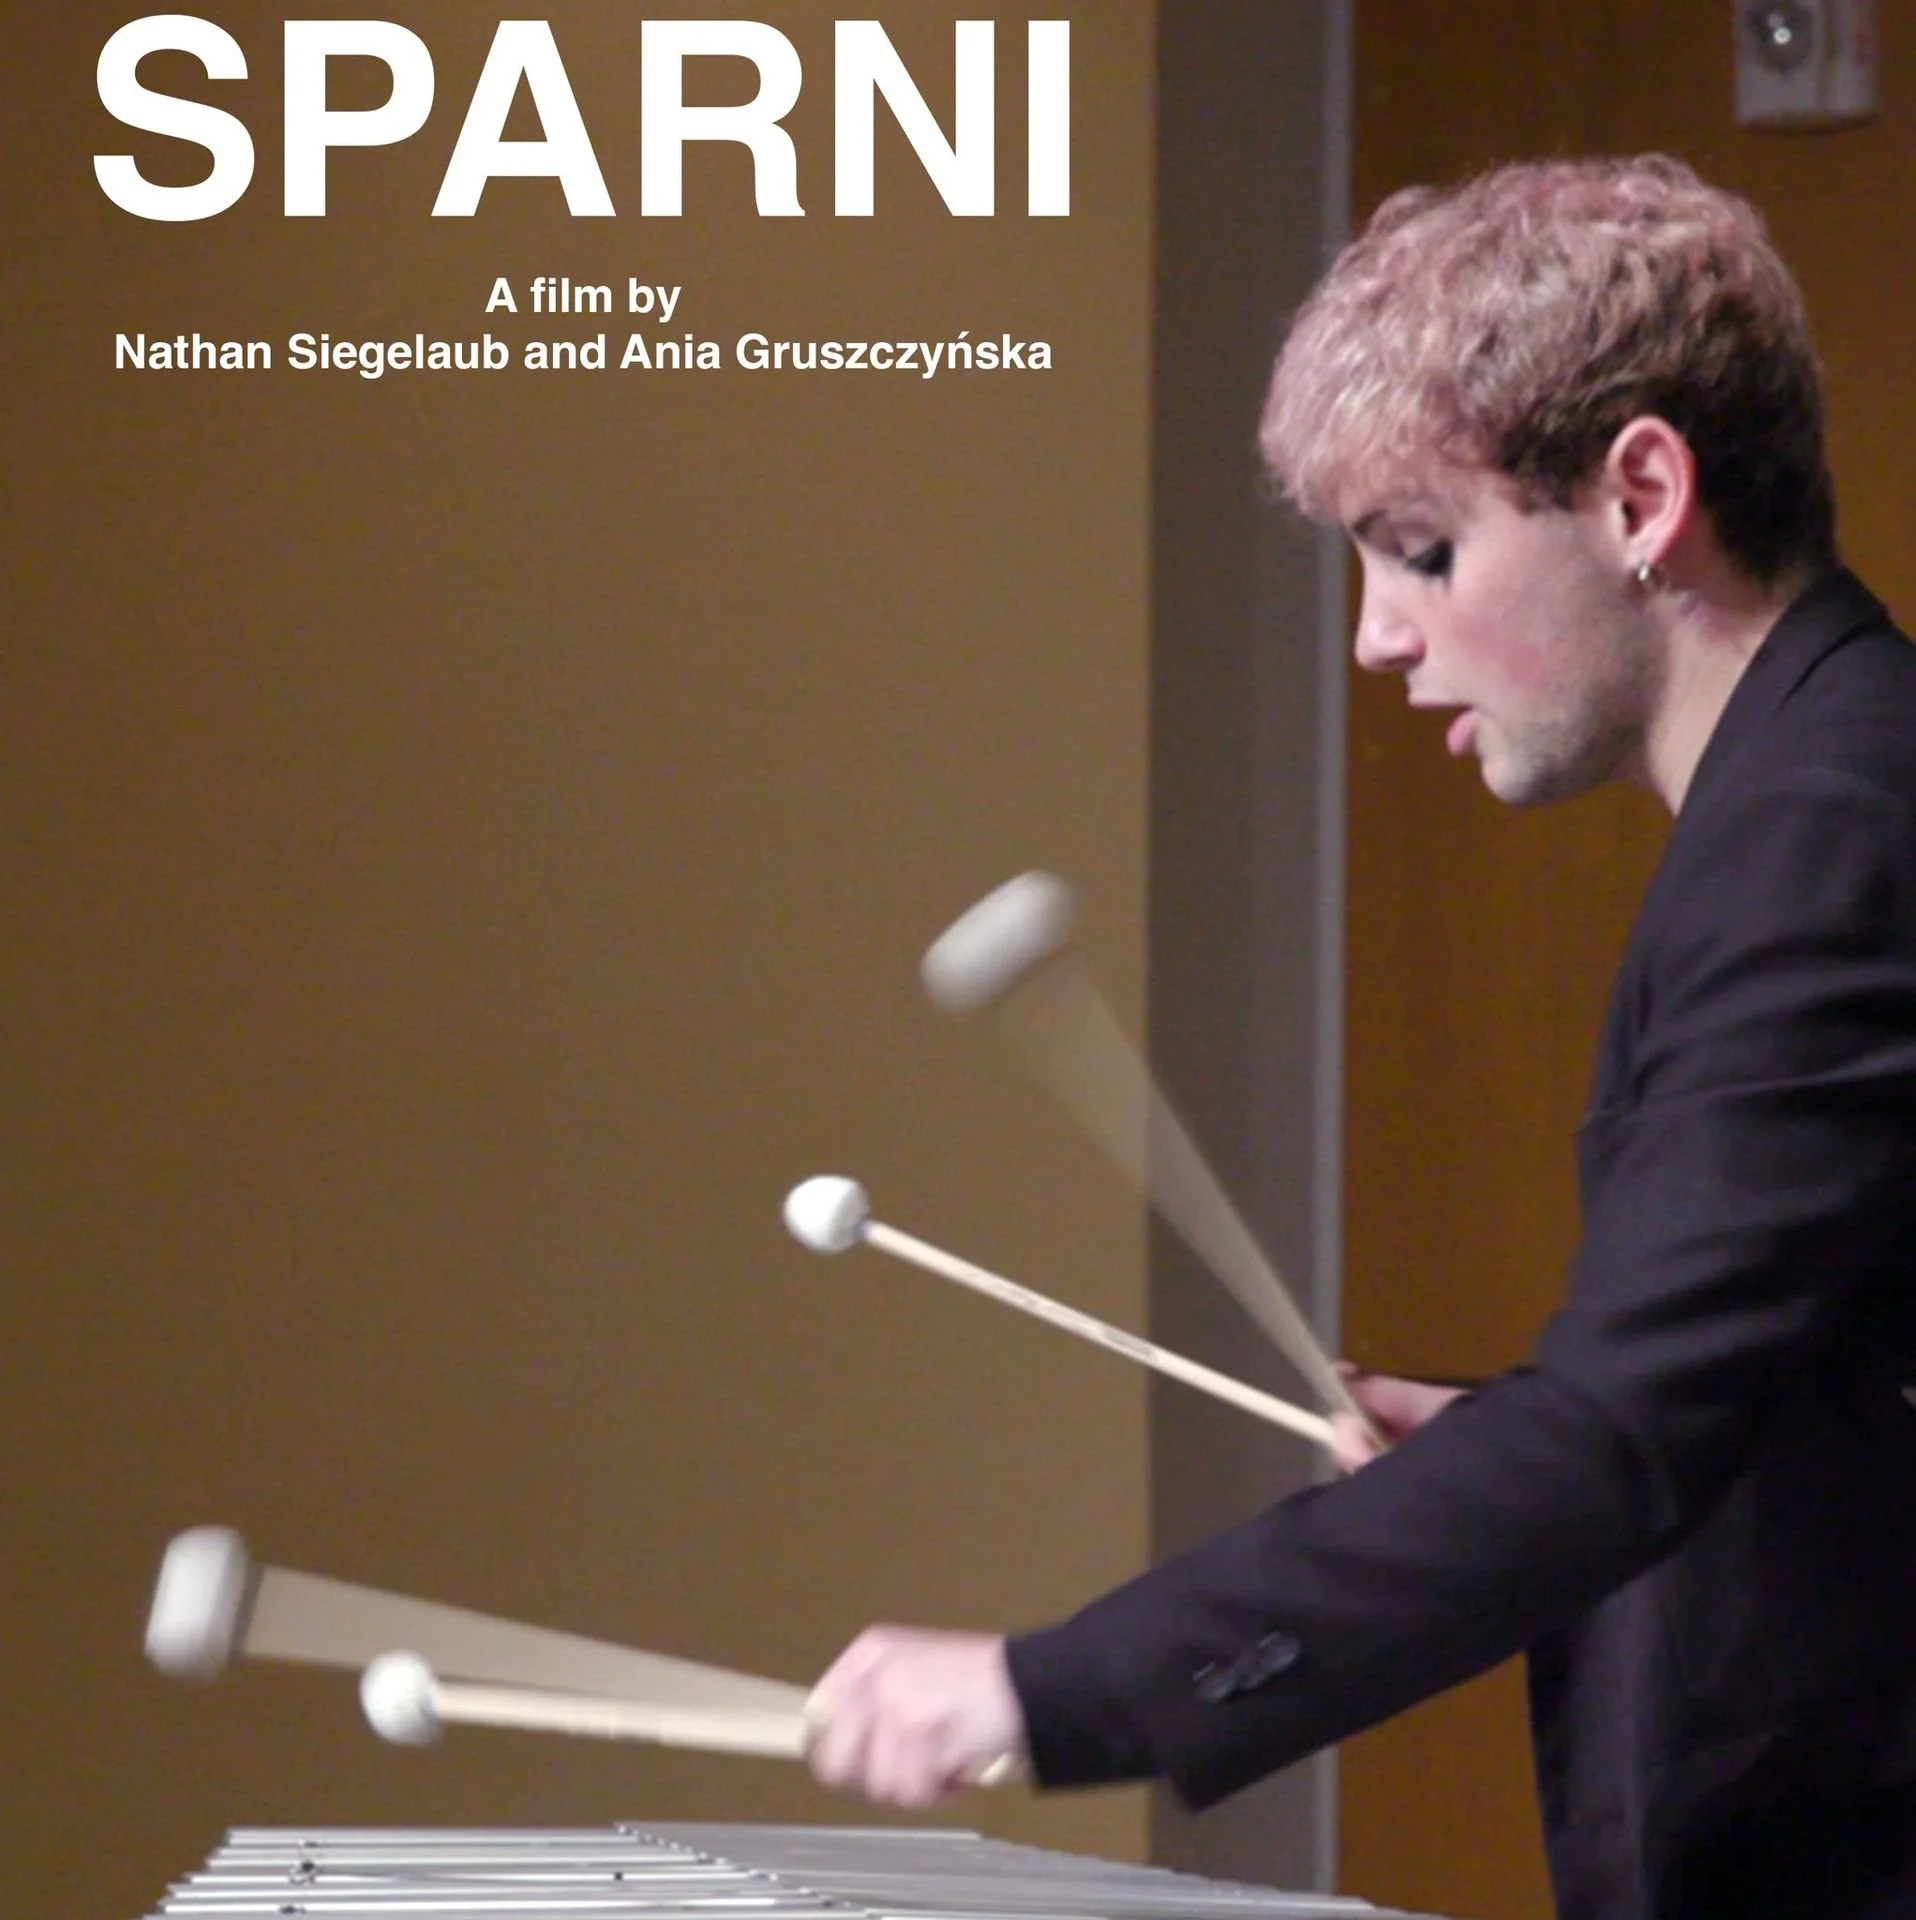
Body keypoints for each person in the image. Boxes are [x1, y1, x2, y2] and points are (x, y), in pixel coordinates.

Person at [803, 156, 1916, 1920]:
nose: (1379, 639)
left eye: (1422, 552)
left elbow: (1628, 1436)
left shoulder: (1826, 832)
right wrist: (1497, 1438)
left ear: (1641, 493)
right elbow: (1814, 1392)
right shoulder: (1810, 794)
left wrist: (1046, 1687)